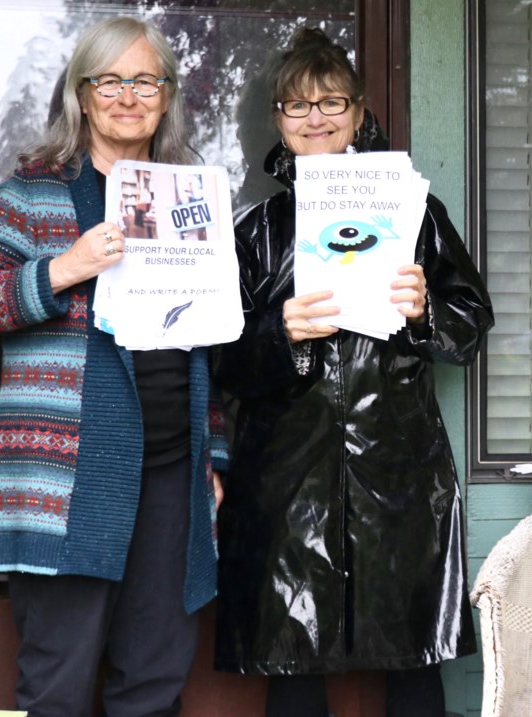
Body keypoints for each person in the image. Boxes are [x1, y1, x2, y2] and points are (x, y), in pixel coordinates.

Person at [0, 17, 227, 717]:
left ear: (166, 97)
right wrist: (66, 267)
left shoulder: (187, 194)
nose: (128, 96)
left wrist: (213, 454)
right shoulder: (38, 191)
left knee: (154, 683)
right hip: (64, 478)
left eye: (146, 81)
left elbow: (209, 339)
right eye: (111, 80)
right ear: (82, 93)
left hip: (169, 474)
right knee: (58, 687)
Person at [211, 27, 494, 717]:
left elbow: (471, 322)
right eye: (299, 105)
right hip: (285, 475)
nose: (316, 118)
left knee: (413, 661)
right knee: (293, 660)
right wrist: (280, 333)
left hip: (397, 467)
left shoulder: (416, 214)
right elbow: (217, 356)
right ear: (279, 118)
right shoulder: (255, 231)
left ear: (360, 112)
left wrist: (427, 310)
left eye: (332, 101)